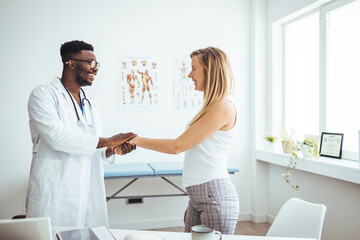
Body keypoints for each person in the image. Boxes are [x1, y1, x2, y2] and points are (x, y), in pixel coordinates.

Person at [119, 47, 239, 234]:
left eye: (193, 68)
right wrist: (193, 200)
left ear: (210, 70)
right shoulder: (209, 108)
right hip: (199, 196)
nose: (189, 75)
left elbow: (177, 146)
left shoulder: (224, 107)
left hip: (213, 194)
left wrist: (137, 140)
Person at [26, 40, 137, 227]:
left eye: (97, 64)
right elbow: (56, 137)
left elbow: (94, 147)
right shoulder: (43, 95)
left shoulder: (90, 103)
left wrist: (111, 149)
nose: (96, 69)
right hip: (55, 190)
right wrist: (109, 140)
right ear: (71, 63)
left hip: (87, 185)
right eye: (91, 63)